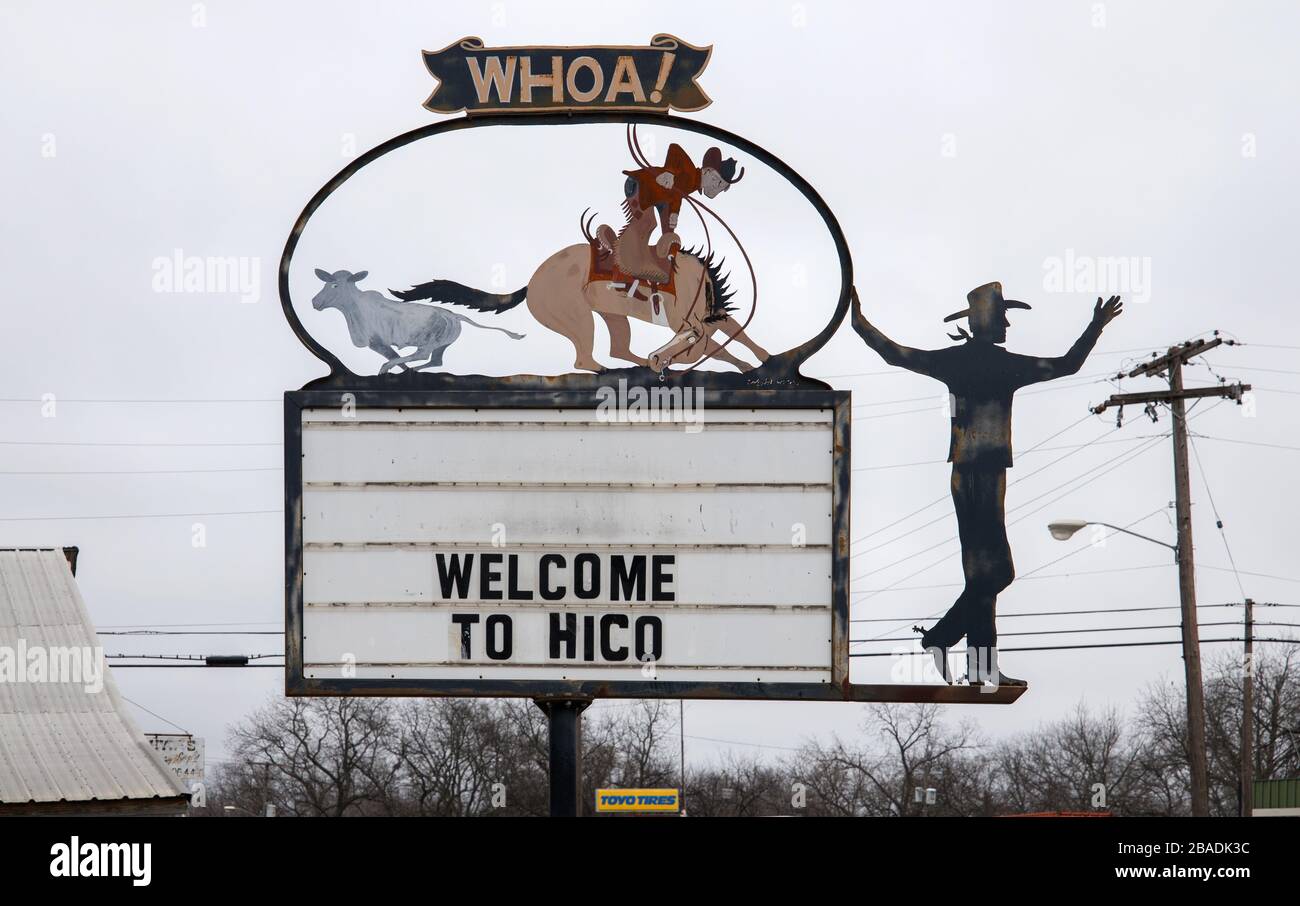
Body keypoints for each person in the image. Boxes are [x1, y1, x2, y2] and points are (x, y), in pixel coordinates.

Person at [851, 283, 1123, 687]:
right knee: (998, 574)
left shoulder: (966, 362)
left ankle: (979, 667)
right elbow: (1067, 364)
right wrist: (1095, 327)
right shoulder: (1002, 366)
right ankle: (943, 639)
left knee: (983, 578)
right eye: (1002, 316)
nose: (1008, 323)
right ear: (986, 321)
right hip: (978, 475)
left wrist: (858, 321)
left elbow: (894, 354)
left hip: (976, 474)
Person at [595, 144, 743, 286]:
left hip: (661, 199)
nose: (716, 188)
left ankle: (653, 264)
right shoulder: (690, 171)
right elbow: (675, 149)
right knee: (648, 222)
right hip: (642, 186)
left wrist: (674, 214)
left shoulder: (692, 183)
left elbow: (677, 195)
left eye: (721, 187)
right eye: (717, 181)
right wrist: (670, 171)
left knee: (668, 235)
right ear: (707, 171)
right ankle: (623, 256)